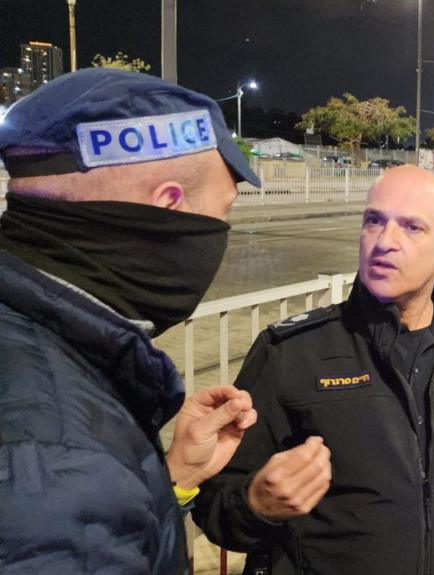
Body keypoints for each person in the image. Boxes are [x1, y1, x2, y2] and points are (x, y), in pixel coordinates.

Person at [194, 165, 434, 575]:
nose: (385, 242)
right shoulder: (291, 354)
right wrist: (256, 505)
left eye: (412, 227)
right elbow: (215, 503)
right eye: (374, 221)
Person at [0, 68, 261, 573]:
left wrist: (170, 477)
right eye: (222, 212)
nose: (222, 232)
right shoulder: (60, 469)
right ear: (168, 208)